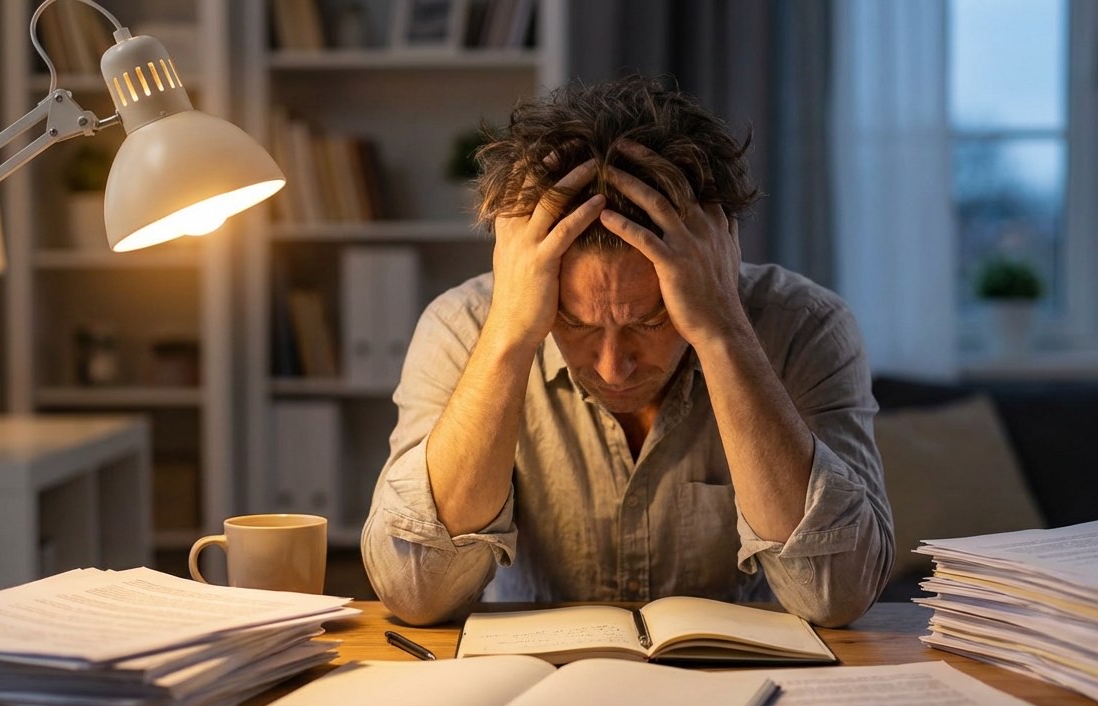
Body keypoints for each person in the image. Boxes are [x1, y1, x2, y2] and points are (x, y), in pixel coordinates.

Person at [362, 75, 892, 627]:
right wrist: (508, 336)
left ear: (718, 259)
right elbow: (415, 591)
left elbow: (836, 596)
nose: (614, 367)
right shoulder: (461, 328)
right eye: (573, 322)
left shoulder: (807, 328)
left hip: (740, 685)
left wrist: (722, 331)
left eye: (652, 319)